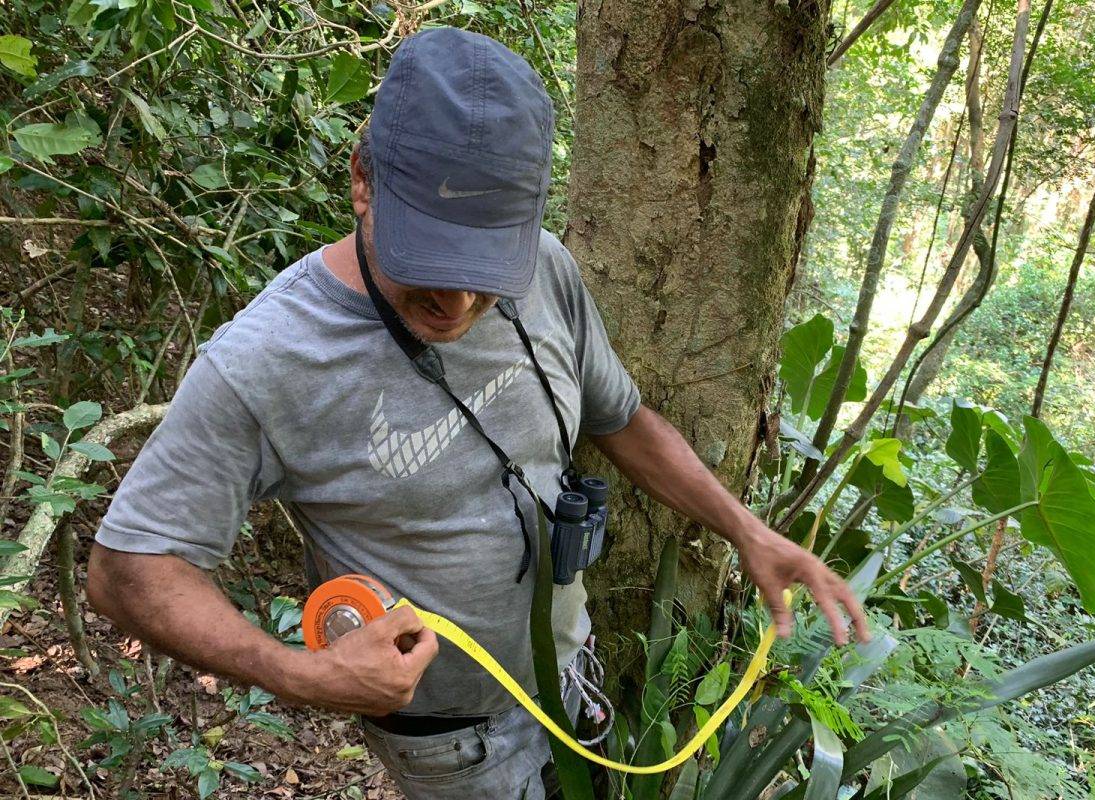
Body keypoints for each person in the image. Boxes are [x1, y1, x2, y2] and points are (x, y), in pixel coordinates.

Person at [86, 27, 869, 800]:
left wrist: (746, 531)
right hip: (456, 747)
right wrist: (300, 674)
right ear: (363, 181)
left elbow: (620, 419)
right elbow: (129, 571)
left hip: (572, 681)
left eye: (485, 267)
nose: (457, 303)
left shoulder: (548, 271)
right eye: (426, 259)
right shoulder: (268, 359)